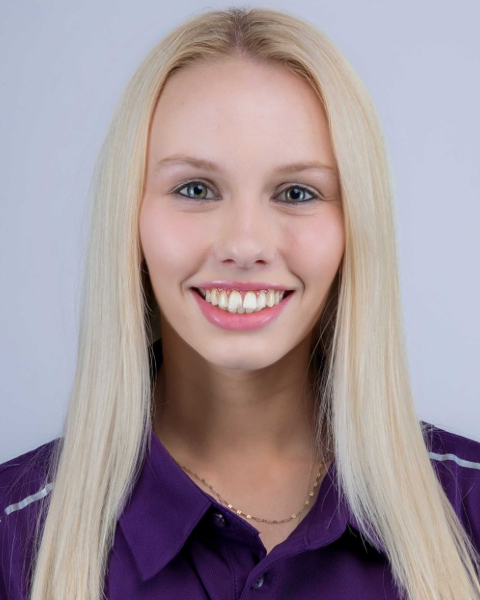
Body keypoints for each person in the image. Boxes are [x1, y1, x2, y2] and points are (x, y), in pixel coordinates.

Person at [1, 6, 479, 600]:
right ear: (130, 219)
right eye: (195, 188)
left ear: (356, 225)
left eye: (297, 192)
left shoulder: (470, 508)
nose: (245, 245)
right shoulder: (14, 533)